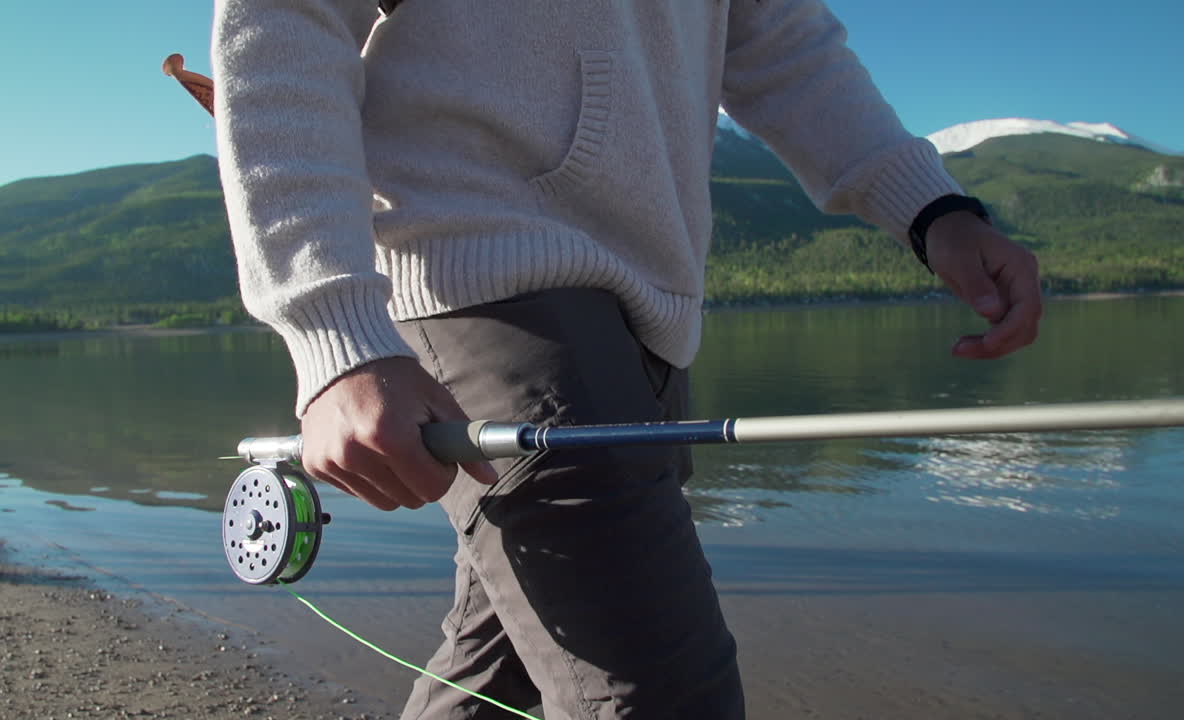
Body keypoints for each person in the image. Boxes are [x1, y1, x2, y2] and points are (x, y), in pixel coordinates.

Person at [211, 1, 1043, 717]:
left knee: (500, 679)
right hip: (488, 282)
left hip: (652, 323)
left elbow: (785, 46)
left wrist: (935, 211)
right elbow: (287, 17)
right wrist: (335, 333)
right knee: (668, 695)